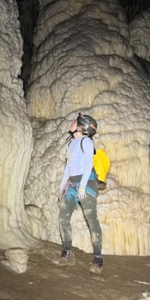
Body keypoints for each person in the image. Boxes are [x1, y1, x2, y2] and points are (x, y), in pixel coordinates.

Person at [55, 112, 104, 274]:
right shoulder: (71, 144)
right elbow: (69, 167)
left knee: (91, 219)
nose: (72, 123)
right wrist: (62, 187)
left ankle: (97, 259)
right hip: (72, 183)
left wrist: (82, 187)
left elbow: (88, 164)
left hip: (86, 183)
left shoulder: (86, 141)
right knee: (63, 216)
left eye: (75, 122)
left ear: (81, 126)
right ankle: (67, 253)